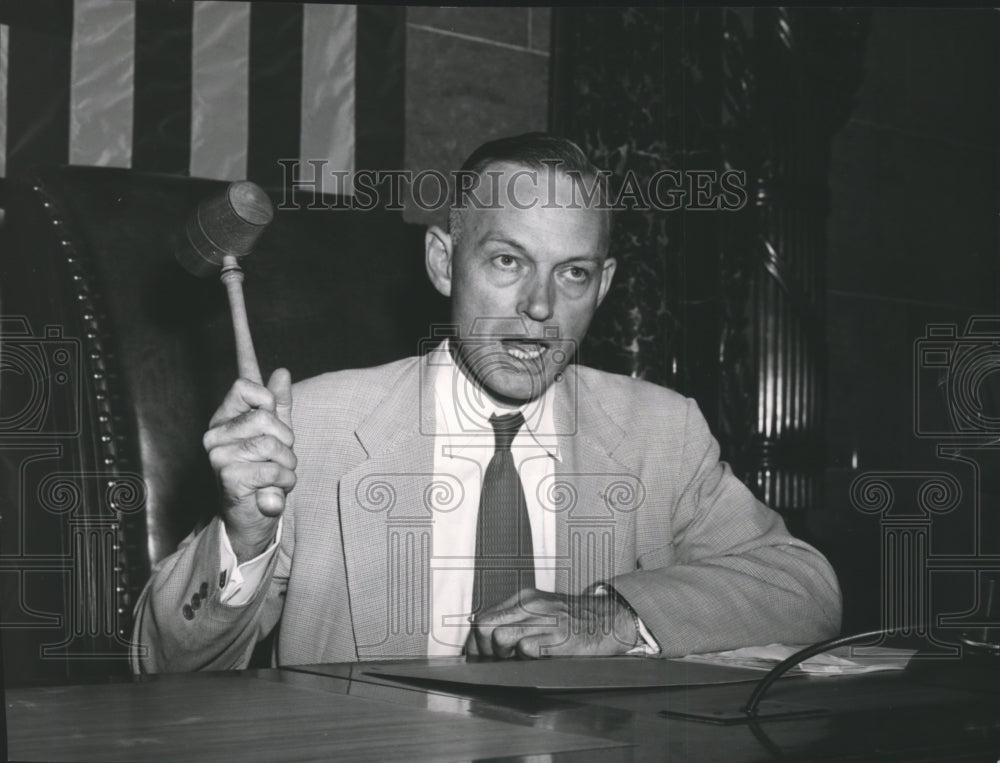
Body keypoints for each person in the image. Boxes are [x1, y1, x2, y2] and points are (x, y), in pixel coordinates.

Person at [131, 133, 841, 673]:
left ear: (603, 284)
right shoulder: (310, 428)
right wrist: (244, 537)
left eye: (574, 272)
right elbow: (158, 664)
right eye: (508, 261)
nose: (540, 305)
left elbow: (809, 591)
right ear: (444, 262)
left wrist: (615, 616)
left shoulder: (663, 431)